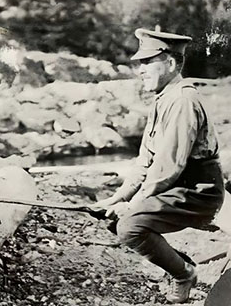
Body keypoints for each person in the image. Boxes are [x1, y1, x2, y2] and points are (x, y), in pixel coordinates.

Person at [91, 28, 225, 303]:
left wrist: (132, 203)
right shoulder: (163, 98)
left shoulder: (182, 100)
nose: (140, 69)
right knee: (116, 218)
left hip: (198, 192)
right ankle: (179, 264)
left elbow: (168, 167)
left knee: (129, 225)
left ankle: (184, 273)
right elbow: (145, 161)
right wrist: (117, 198)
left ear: (171, 63)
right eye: (140, 62)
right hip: (177, 187)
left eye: (147, 62)